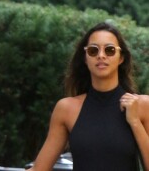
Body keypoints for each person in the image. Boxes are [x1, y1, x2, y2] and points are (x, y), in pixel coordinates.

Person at [28, 22, 149, 171]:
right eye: (93, 50)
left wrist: (135, 122)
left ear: (121, 58)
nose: (101, 55)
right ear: (85, 58)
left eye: (110, 50)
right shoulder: (66, 109)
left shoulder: (142, 106)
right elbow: (39, 169)